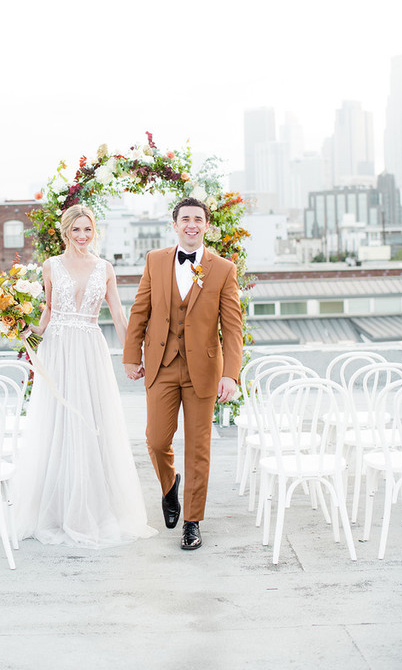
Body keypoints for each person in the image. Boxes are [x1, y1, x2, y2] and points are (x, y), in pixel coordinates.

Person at [0, 204, 156, 548]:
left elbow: (118, 313)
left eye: (88, 229)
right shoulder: (51, 266)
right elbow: (46, 310)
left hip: (90, 349)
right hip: (57, 349)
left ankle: (91, 507)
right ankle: (54, 509)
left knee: (91, 421)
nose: (82, 236)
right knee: (56, 423)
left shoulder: (105, 268)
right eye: (76, 230)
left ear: (95, 232)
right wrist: (23, 329)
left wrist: (132, 356)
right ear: (65, 232)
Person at [123, 197, 243, 551]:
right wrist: (131, 356)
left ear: (206, 226)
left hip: (203, 370)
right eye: (185, 219)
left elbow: (233, 328)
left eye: (198, 219)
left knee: (198, 448)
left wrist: (231, 374)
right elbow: (139, 310)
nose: (192, 224)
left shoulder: (222, 269)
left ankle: (192, 521)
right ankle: (169, 485)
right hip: (161, 365)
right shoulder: (154, 260)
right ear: (174, 224)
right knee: (156, 441)